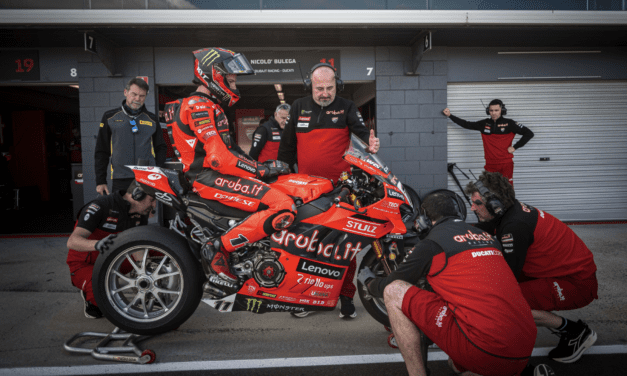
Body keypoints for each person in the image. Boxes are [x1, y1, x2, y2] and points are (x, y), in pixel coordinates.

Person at [358, 191, 550, 376]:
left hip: (485, 349)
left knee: (394, 291)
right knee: (455, 365)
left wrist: (369, 281)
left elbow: (391, 283)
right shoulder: (489, 238)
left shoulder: (431, 244)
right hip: (525, 344)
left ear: (423, 220)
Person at [164, 47, 295, 289]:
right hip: (207, 177)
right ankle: (218, 249)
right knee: (284, 205)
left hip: (213, 175)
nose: (234, 85)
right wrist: (261, 170)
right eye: (231, 79)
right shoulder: (199, 106)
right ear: (213, 75)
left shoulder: (208, 104)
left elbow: (232, 153)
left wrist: (260, 166)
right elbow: (219, 160)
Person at [277, 63, 380, 319]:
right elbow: (287, 149)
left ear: (338, 85)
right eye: (319, 88)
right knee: (308, 246)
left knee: (345, 246)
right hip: (307, 192)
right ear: (310, 86)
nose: (324, 93)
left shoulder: (347, 107)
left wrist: (371, 144)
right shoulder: (299, 107)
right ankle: (306, 297)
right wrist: (282, 180)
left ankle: (345, 298)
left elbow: (362, 133)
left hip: (342, 190)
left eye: (329, 88)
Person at [465, 171, 598, 364]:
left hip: (577, 284)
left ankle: (575, 332)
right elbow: (483, 229)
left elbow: (507, 277)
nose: (472, 207)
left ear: (495, 205)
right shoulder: (510, 211)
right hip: (562, 273)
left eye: (477, 203)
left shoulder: (515, 226)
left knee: (505, 303)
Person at [66, 181, 156, 318]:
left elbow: (138, 248)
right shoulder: (99, 206)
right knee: (104, 303)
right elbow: (72, 241)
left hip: (115, 258)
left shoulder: (140, 214)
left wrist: (145, 271)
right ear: (137, 195)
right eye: (152, 200)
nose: (154, 206)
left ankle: (144, 287)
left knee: (158, 249)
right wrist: (97, 245)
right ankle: (91, 298)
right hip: (86, 264)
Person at [95, 77, 167, 195]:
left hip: (146, 178)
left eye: (142, 96)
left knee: (144, 213)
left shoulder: (152, 119)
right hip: (120, 178)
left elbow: (161, 147)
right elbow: (101, 151)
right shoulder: (110, 117)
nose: (137, 99)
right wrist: (100, 181)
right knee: (120, 212)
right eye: (134, 94)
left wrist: (157, 172)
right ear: (125, 92)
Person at [443, 99, 533, 185]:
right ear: (488, 111)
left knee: (507, 190)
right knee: (489, 191)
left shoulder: (510, 123)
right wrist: (450, 115)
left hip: (505, 164)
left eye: (496, 110)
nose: (493, 113)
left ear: (502, 110)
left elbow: (529, 133)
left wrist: (515, 147)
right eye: (491, 110)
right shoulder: (484, 124)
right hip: (490, 164)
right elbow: (467, 124)